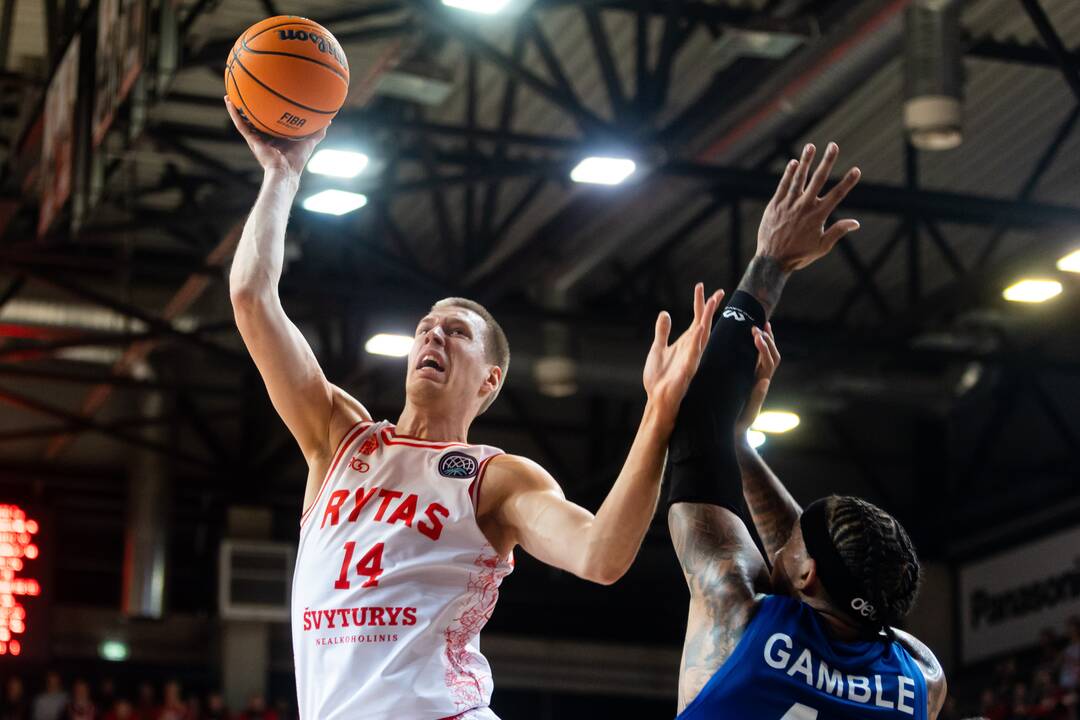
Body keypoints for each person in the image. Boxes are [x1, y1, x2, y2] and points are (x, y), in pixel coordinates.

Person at [224, 97, 723, 720]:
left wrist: (658, 414)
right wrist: (283, 175)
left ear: (489, 382)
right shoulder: (338, 439)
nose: (432, 335)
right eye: (425, 326)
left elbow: (600, 555)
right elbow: (250, 296)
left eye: (455, 331)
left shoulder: (495, 477)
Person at [663, 142, 948, 718]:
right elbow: (847, 597)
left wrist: (771, 263)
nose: (779, 538)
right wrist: (738, 444)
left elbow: (697, 418)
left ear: (808, 572)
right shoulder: (921, 680)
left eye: (791, 541)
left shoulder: (734, 613)